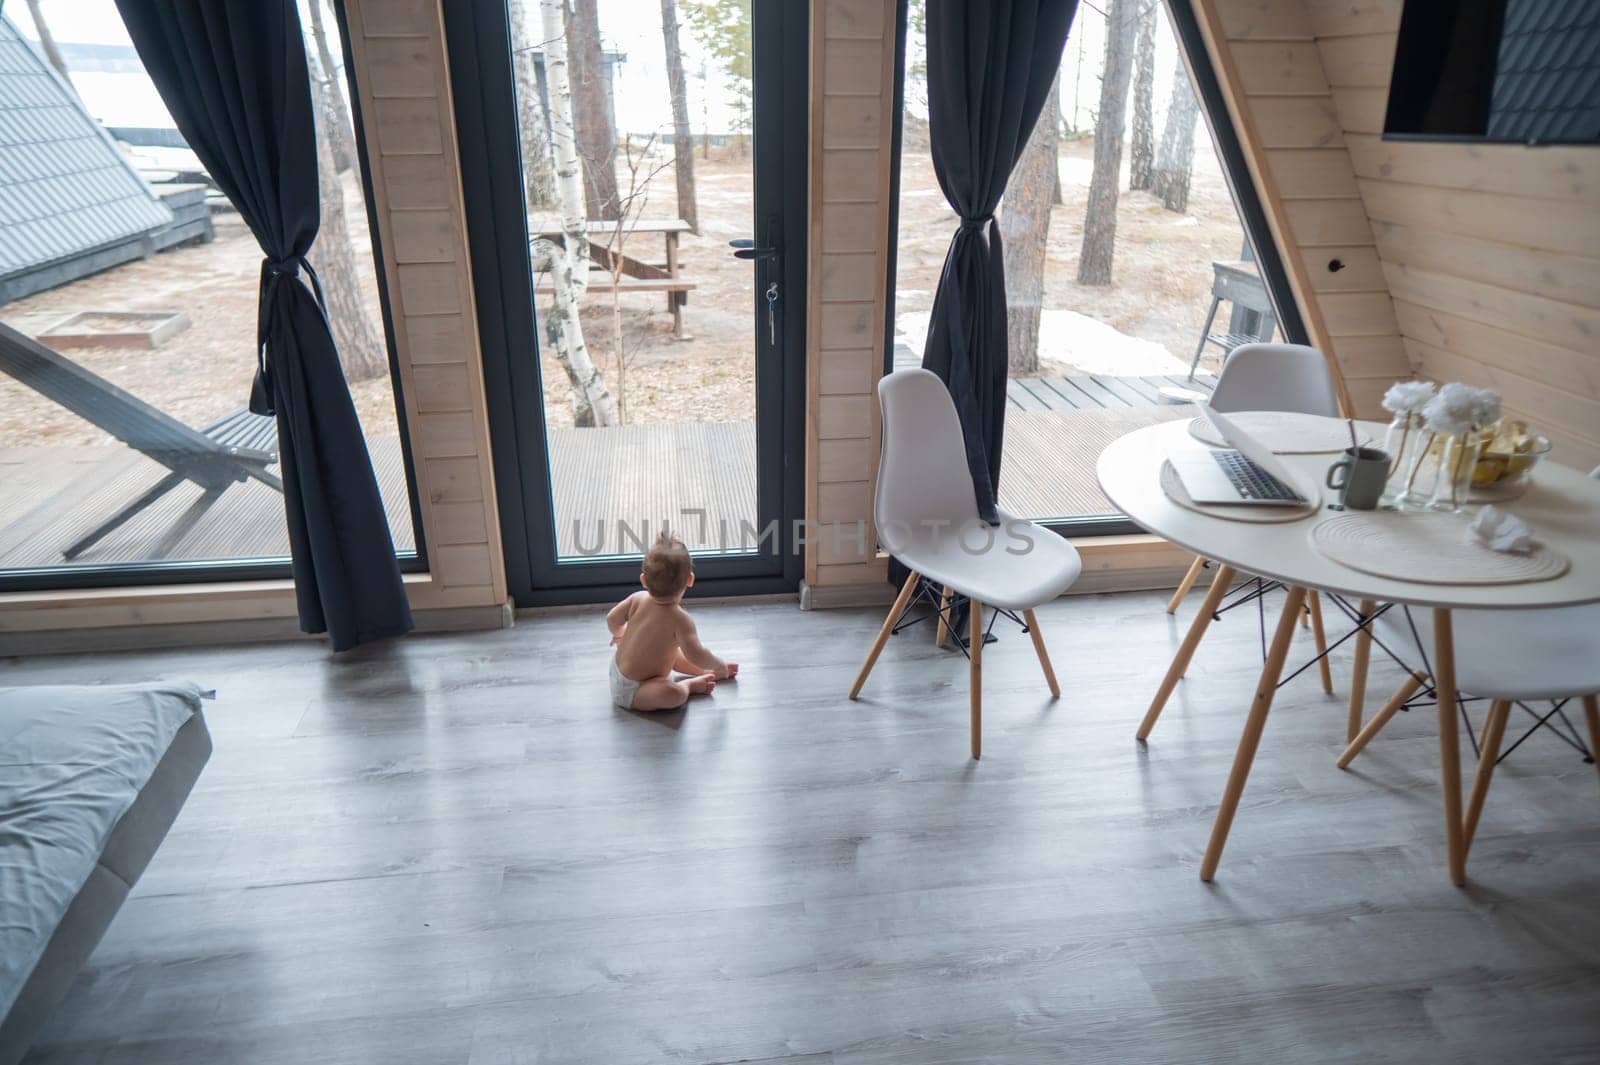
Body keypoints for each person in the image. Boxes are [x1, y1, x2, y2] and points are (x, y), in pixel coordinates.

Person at [605, 532, 738, 711]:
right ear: (690, 579)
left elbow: (612, 618)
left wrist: (619, 634)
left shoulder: (637, 598)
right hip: (635, 691)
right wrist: (718, 663)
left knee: (672, 651)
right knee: (673, 695)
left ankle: (706, 672)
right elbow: (696, 654)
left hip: (616, 671)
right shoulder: (680, 619)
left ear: (644, 580)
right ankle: (690, 685)